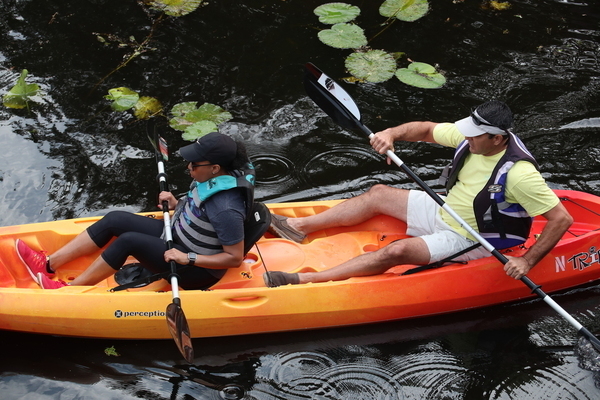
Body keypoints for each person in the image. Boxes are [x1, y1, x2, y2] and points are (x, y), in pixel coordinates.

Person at [264, 100, 573, 287]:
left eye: (474, 135)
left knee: (397, 252)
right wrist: (391, 134)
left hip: (474, 237)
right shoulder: (474, 135)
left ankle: (309, 279)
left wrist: (528, 262)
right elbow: (425, 129)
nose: (465, 137)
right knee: (378, 194)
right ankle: (298, 228)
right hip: (446, 209)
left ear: (496, 138)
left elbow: (561, 219)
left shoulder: (520, 175)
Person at [17, 132, 256, 290]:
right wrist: (177, 203)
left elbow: (234, 258)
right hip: (177, 236)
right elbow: (198, 207)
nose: (188, 166)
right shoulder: (211, 177)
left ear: (215, 168)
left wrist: (187, 258)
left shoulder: (226, 207)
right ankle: (48, 264)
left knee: (128, 241)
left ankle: (72, 290)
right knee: (115, 219)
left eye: (194, 163)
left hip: (197, 269)